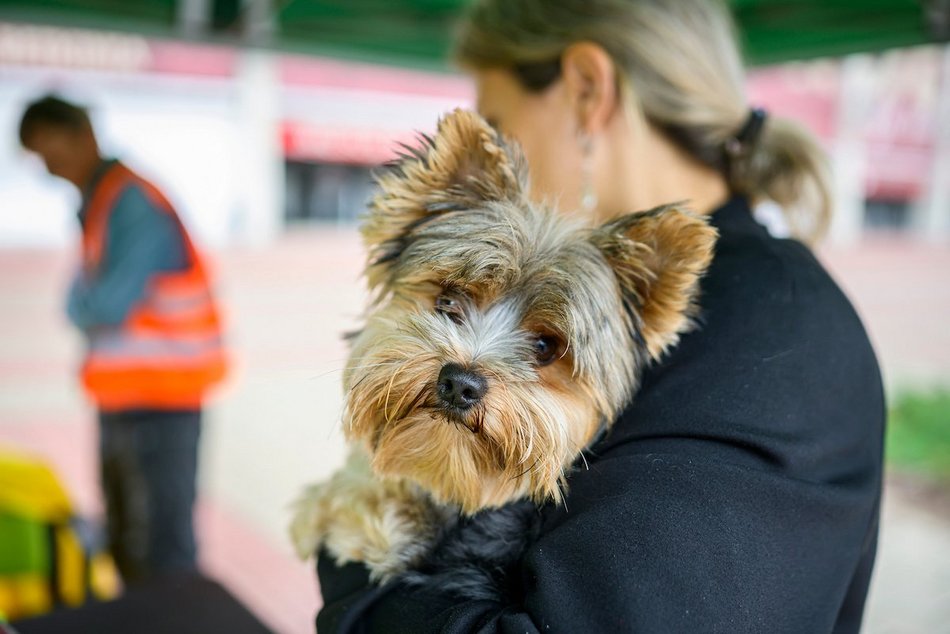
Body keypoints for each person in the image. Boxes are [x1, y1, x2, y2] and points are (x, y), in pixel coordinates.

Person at [315, 1, 886, 632]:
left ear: (588, 90)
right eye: (451, 306)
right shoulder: (749, 296)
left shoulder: (772, 322)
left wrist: (351, 567)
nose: (504, 174)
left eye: (501, 123)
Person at [19, 95, 229, 585]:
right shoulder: (102, 201)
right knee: (125, 541)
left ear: (84, 136)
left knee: (163, 551)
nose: (49, 169)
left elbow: (100, 305)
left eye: (51, 154)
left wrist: (78, 303)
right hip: (128, 400)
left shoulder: (130, 201)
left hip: (161, 402)